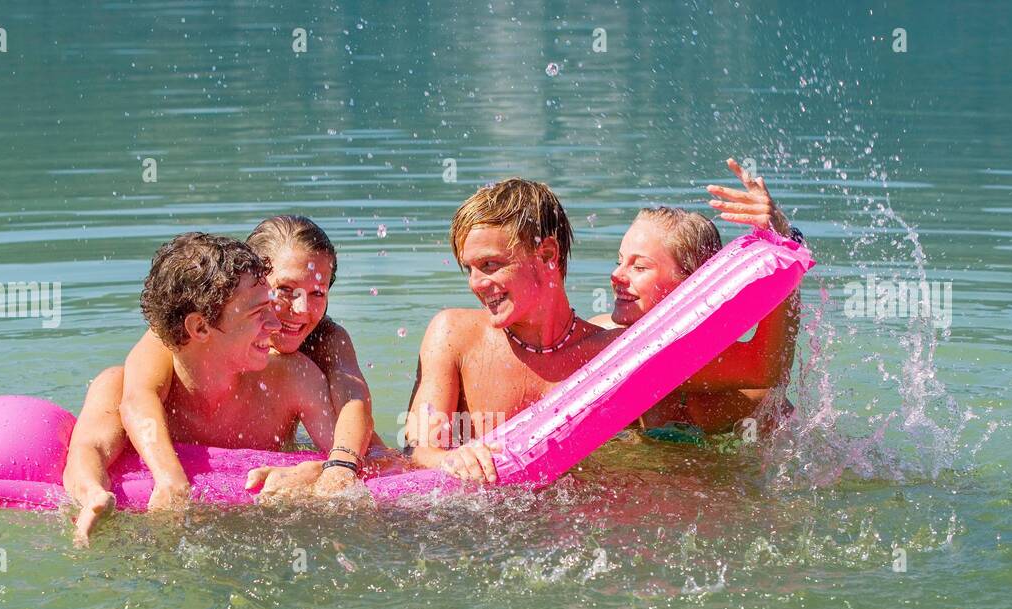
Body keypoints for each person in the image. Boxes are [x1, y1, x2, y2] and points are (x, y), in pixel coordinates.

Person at [62, 232, 337, 545]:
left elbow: (358, 458)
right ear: (201, 327)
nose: (275, 325)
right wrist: (93, 494)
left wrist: (315, 471)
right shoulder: (117, 387)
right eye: (257, 312)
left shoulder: (292, 379)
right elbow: (87, 451)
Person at [120, 216, 379, 503]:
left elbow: (354, 402)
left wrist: (334, 467)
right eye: (285, 290)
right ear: (251, 277)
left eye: (317, 292)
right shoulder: (181, 336)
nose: (302, 310)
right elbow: (138, 395)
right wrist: (169, 477)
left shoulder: (325, 339)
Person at [403, 178, 620, 483]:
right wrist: (449, 458)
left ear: (546, 255)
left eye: (490, 264)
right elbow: (416, 450)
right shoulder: (454, 335)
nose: (475, 283)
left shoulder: (611, 354)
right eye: (470, 269)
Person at [590, 158, 802, 433]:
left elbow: (771, 367)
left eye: (639, 266)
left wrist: (783, 241)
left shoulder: (745, 396)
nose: (616, 276)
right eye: (619, 261)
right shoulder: (600, 341)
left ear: (691, 285)